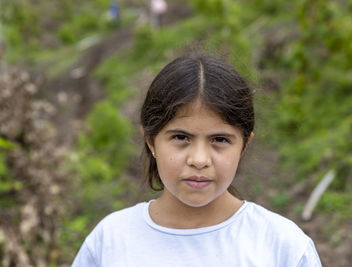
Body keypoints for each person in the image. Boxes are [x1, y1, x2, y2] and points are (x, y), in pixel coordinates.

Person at [72, 54, 322, 266]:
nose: (200, 160)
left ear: (244, 145)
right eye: (181, 137)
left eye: (220, 140)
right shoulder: (110, 242)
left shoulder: (283, 247)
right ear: (150, 141)